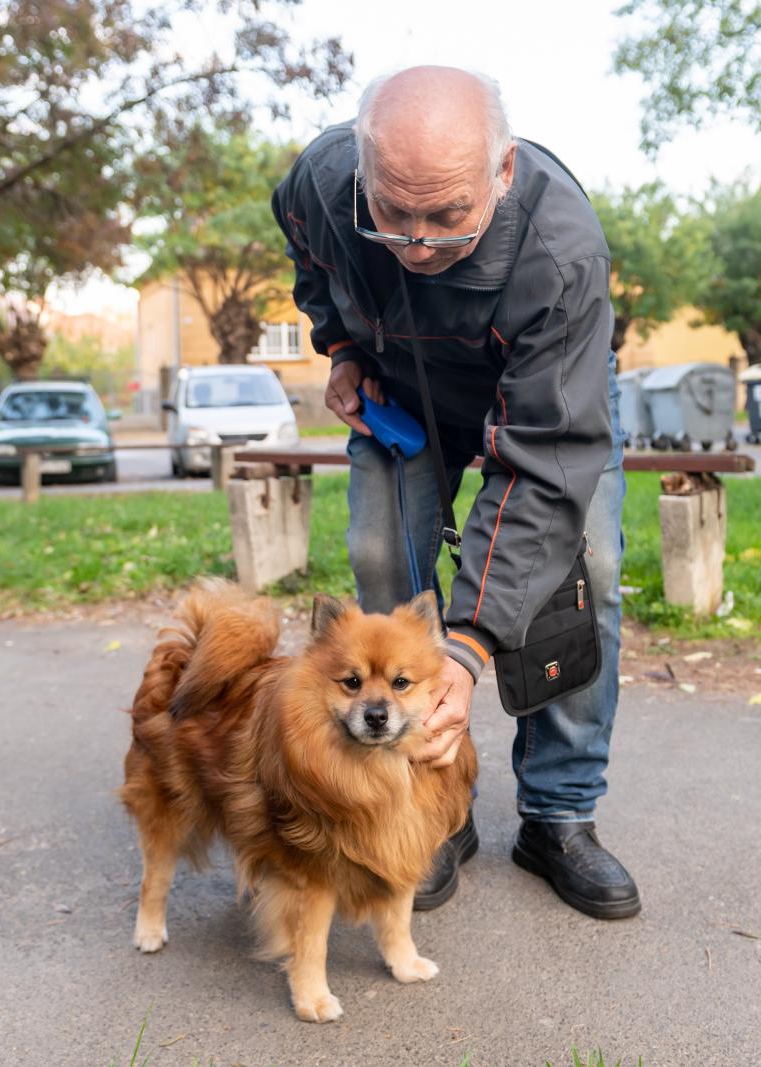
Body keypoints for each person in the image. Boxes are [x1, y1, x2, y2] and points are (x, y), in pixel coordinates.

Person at [270, 66, 639, 920]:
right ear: (361, 173)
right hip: (402, 378)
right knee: (378, 552)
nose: (418, 243)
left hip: (544, 387)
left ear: (502, 173)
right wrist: (341, 348)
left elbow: (542, 469)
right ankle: (434, 805)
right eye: (393, 213)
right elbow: (309, 253)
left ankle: (560, 812)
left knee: (587, 565)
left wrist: (468, 649)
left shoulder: (561, 252)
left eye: (447, 216)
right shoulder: (320, 184)